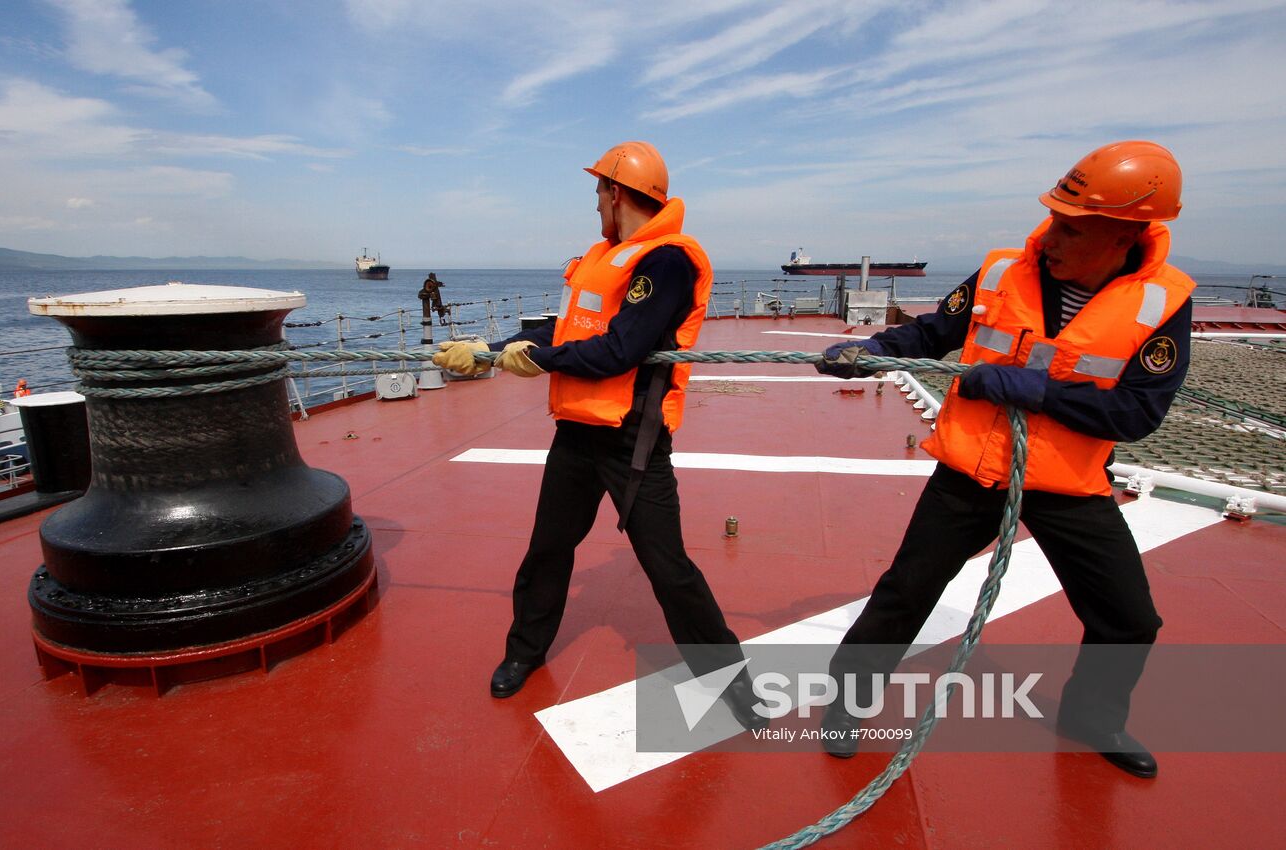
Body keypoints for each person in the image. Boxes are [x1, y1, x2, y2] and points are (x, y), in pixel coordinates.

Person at [816, 141, 1194, 778]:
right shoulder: (999, 272)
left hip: (1068, 482)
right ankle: (848, 706)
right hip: (971, 467)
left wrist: (1034, 390)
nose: (1049, 239)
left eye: (1070, 228)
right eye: (1052, 220)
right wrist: (873, 347)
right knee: (906, 591)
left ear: (1123, 234)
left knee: (1129, 618)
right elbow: (936, 331)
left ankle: (1093, 716)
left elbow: (1136, 414)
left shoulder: (1163, 301)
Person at [434, 141, 763, 728]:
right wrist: (487, 351)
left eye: (597, 195)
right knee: (548, 551)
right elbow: (564, 328)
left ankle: (731, 683)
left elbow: (622, 348)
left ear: (616, 193)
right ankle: (523, 653)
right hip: (576, 434)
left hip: (632, 440)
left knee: (668, 567)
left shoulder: (666, 263)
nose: (594, 209)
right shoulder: (601, 257)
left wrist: (538, 359)